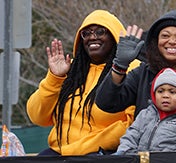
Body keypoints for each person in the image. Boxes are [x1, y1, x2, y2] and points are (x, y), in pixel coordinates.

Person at [95, 9, 176, 151]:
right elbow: (106, 103)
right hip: (149, 160)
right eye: (165, 36)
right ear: (156, 42)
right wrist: (119, 66)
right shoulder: (143, 73)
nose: (172, 41)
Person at [26, 10, 139, 155]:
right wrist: (55, 78)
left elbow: (131, 125)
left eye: (100, 32)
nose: (92, 37)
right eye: (86, 33)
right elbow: (37, 117)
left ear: (114, 36)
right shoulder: (71, 69)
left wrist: (81, 148)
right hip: (59, 155)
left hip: (103, 155)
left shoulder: (131, 68)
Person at [115, 68, 176, 154]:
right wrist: (127, 155)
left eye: (172, 92)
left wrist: (168, 161)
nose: (165, 95)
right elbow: (130, 137)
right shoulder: (145, 115)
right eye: (160, 91)